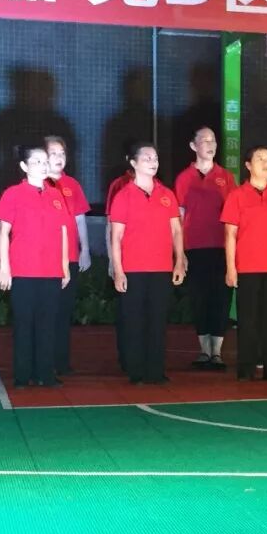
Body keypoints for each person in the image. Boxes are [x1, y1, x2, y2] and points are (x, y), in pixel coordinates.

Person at [0, 143, 71, 388]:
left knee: (47, 324)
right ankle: (22, 374)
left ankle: (45, 373)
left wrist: (65, 266)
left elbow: (63, 232)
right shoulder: (13, 194)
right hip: (23, 271)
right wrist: (5, 267)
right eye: (37, 161)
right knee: (24, 324)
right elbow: (3, 232)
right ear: (24, 166)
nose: (43, 166)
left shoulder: (56, 195)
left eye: (45, 161)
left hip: (51, 271)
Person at [109, 143, 186, 385]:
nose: (153, 162)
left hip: (161, 268)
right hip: (133, 269)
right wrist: (118, 270)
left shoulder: (167, 194)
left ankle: (156, 370)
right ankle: (136, 370)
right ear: (133, 163)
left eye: (155, 158)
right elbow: (116, 237)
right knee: (134, 321)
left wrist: (179, 261)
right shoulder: (123, 195)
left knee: (157, 320)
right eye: (147, 158)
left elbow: (176, 230)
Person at [221, 145, 267, 381]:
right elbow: (230, 234)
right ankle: (246, 369)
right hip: (247, 266)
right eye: (260, 158)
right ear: (248, 165)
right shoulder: (237, 195)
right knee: (248, 320)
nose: (266, 162)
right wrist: (231, 267)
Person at [175, 126, 236, 370]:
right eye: (205, 140)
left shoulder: (226, 177)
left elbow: (233, 216)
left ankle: (217, 352)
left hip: (221, 247)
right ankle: (204, 350)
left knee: (220, 297)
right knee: (199, 298)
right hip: (194, 248)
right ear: (193, 146)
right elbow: (178, 217)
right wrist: (179, 253)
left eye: (213, 141)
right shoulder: (184, 178)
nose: (210, 145)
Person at [45, 135, 91, 376]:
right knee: (45, 312)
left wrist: (85, 250)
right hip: (43, 260)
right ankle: (43, 361)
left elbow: (80, 219)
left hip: (70, 257)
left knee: (63, 311)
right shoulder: (37, 183)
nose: (59, 158)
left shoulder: (72, 184)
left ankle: (61, 362)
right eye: (53, 153)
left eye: (61, 153)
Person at [104, 154, 134, 373]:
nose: (152, 162)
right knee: (126, 312)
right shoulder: (119, 186)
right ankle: (126, 358)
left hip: (152, 264)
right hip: (125, 261)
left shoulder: (160, 188)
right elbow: (111, 226)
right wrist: (113, 261)